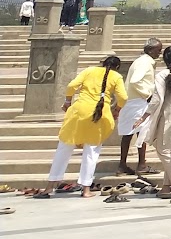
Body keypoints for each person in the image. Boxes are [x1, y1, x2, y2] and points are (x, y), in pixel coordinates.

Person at [45, 54, 126, 196]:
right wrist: (117, 110)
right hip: (99, 114)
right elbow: (123, 97)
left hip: (79, 111)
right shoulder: (116, 77)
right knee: (91, 152)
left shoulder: (89, 70)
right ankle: (86, 189)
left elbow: (71, 86)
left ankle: (49, 186)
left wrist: (68, 101)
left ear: (103, 63)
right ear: (117, 67)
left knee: (64, 148)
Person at [131, 45, 171, 196]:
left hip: (170, 114)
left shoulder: (162, 75)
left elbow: (155, 100)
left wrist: (143, 117)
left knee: (163, 149)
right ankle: (168, 185)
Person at [117, 37, 162, 175]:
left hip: (131, 101)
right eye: (158, 50)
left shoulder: (141, 61)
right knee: (141, 133)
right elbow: (135, 80)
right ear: (150, 50)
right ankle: (141, 164)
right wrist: (147, 94)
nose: (159, 53)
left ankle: (122, 164)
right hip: (139, 102)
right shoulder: (144, 63)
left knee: (127, 134)